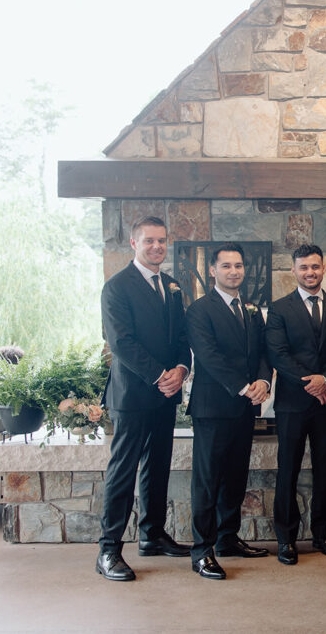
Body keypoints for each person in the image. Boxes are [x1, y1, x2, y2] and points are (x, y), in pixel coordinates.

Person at [97, 216, 191, 581]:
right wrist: (158, 376)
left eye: (162, 241)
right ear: (134, 244)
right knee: (123, 470)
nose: (157, 247)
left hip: (166, 394)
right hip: (133, 395)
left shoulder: (171, 285)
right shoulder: (117, 287)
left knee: (158, 466)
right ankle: (108, 550)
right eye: (149, 241)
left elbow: (182, 335)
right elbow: (121, 342)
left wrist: (182, 369)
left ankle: (152, 535)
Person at [185, 243, 271, 580]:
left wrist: (264, 380)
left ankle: (227, 538)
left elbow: (263, 351)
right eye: (226, 266)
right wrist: (244, 386)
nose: (233, 271)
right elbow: (208, 356)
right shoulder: (199, 310)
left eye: (238, 266)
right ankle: (201, 551)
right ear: (212, 271)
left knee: (235, 477)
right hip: (213, 407)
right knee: (208, 482)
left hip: (245, 408)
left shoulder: (250, 309)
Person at [265, 244, 326, 566]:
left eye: (315, 266)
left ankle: (322, 533)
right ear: (294, 271)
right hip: (292, 404)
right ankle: (286, 538)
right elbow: (278, 355)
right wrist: (312, 383)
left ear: (323, 268)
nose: (310, 272)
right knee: (288, 471)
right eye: (303, 267)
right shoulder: (279, 308)